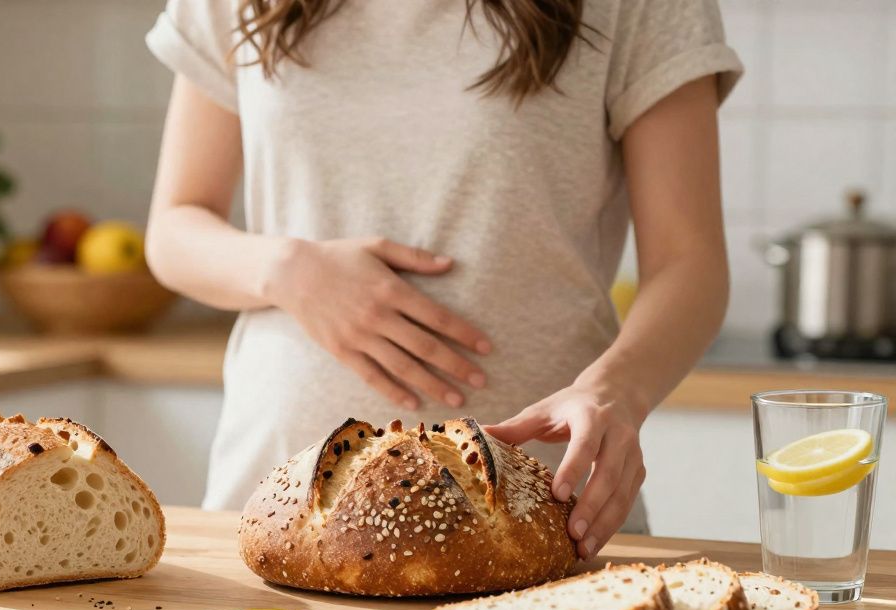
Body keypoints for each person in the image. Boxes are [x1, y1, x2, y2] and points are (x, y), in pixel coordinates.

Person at [144, 0, 741, 559]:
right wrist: (287, 270)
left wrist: (617, 391)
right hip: (278, 498)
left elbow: (690, 262)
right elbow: (173, 230)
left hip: (547, 507)